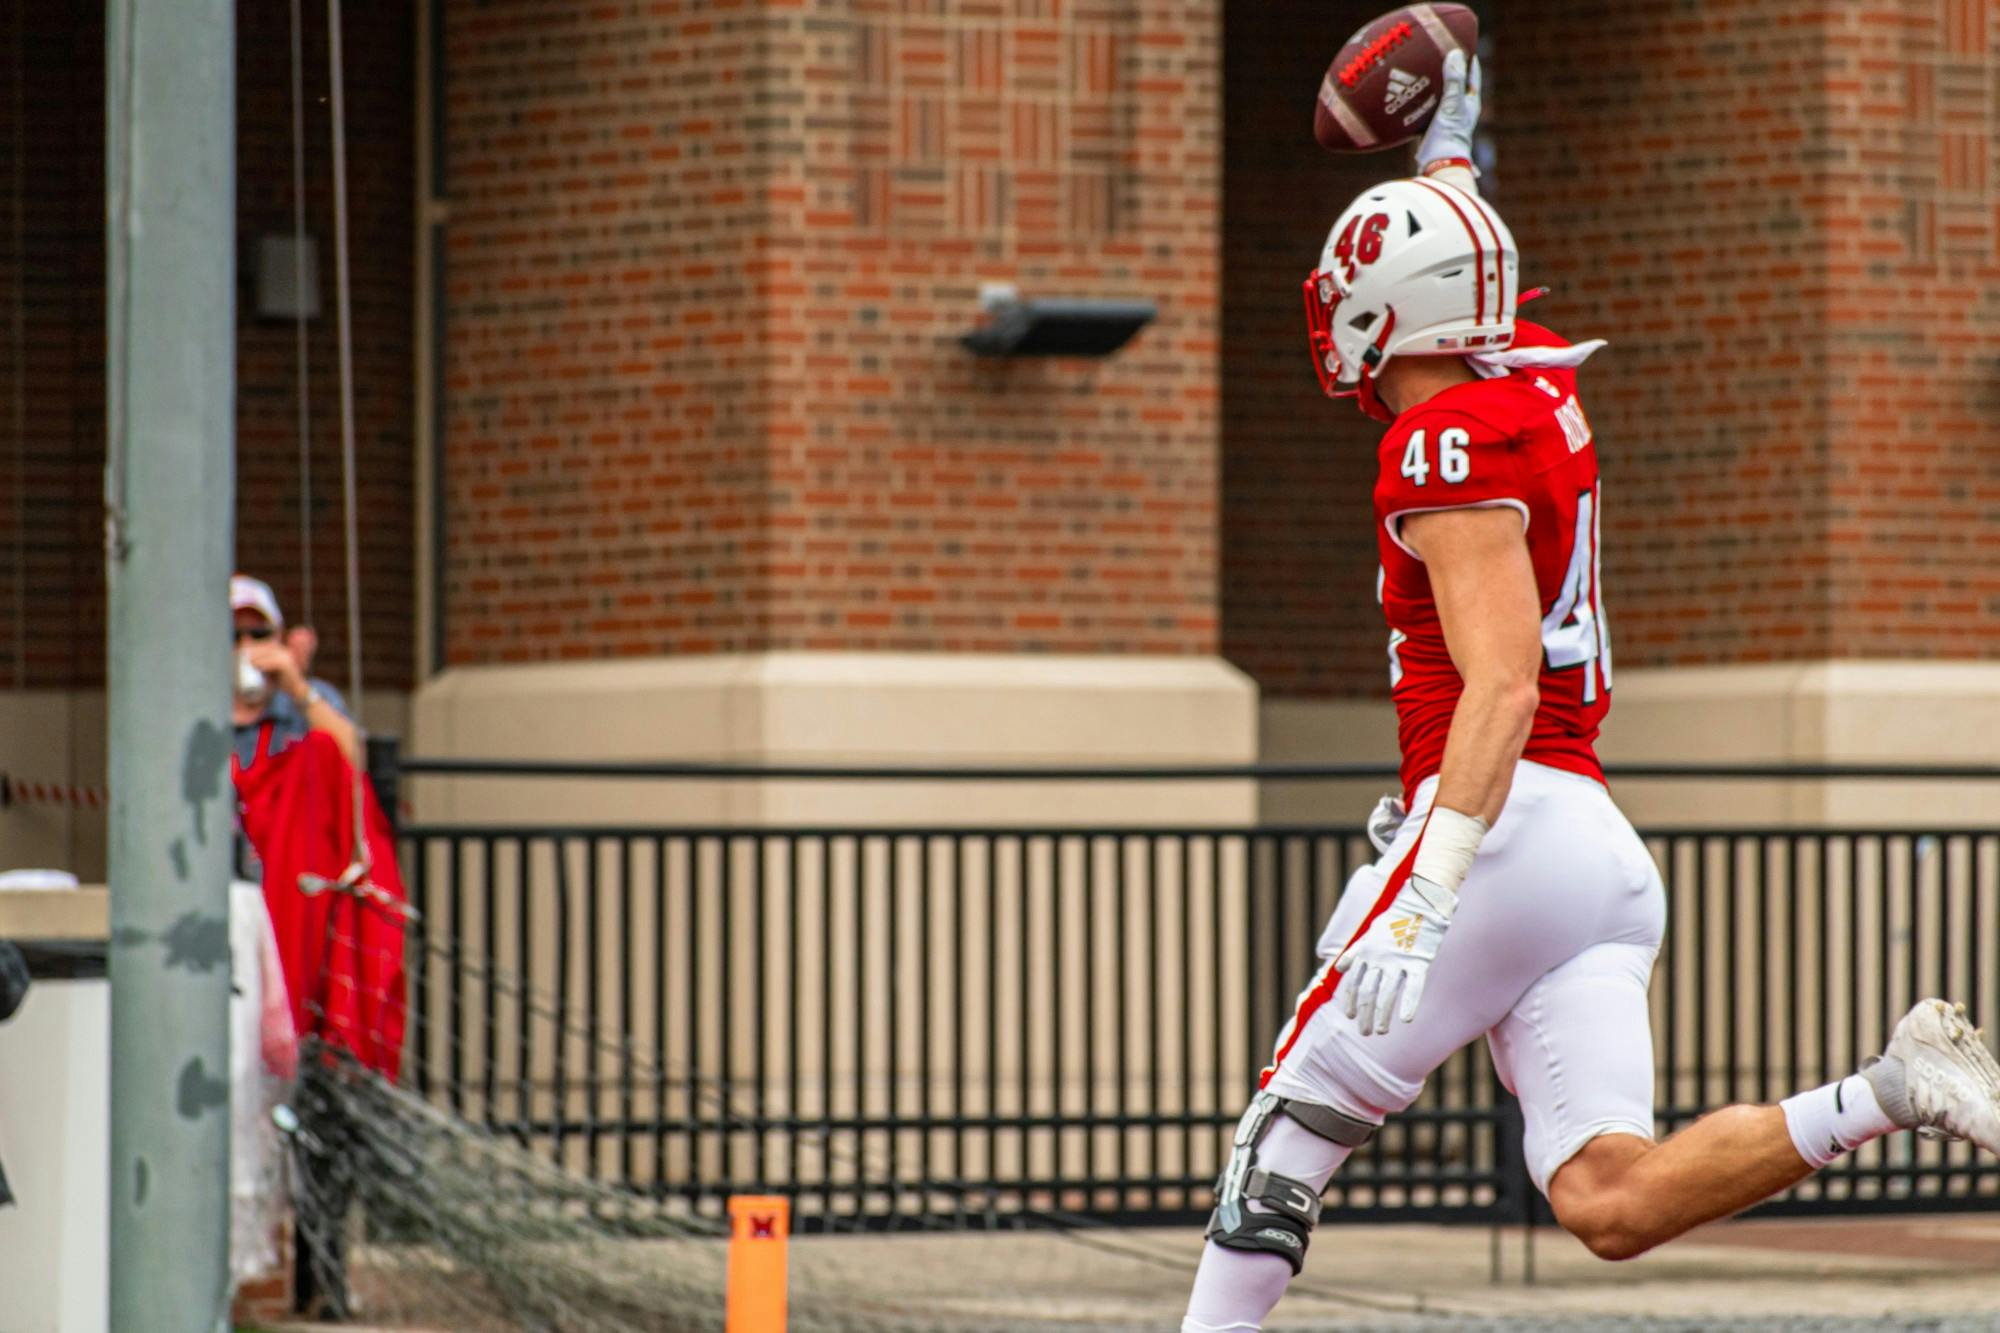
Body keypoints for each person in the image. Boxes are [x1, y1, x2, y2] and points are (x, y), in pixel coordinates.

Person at [1181, 53, 2000, 1333]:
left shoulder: (1433, 443)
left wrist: (1426, 891)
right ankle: (1888, 1091)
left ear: (1382, 307)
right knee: (1607, 1201)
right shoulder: (1527, 387)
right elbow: (1466, 277)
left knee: (1286, 1132)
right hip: (1595, 858)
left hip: (1501, 834)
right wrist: (1448, 144)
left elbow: (1499, 686)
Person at [231, 573, 358, 772]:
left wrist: (298, 688)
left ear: (279, 637)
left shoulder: (313, 695)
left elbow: (356, 761)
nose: (246, 645)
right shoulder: (197, 704)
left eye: (259, 634)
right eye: (234, 636)